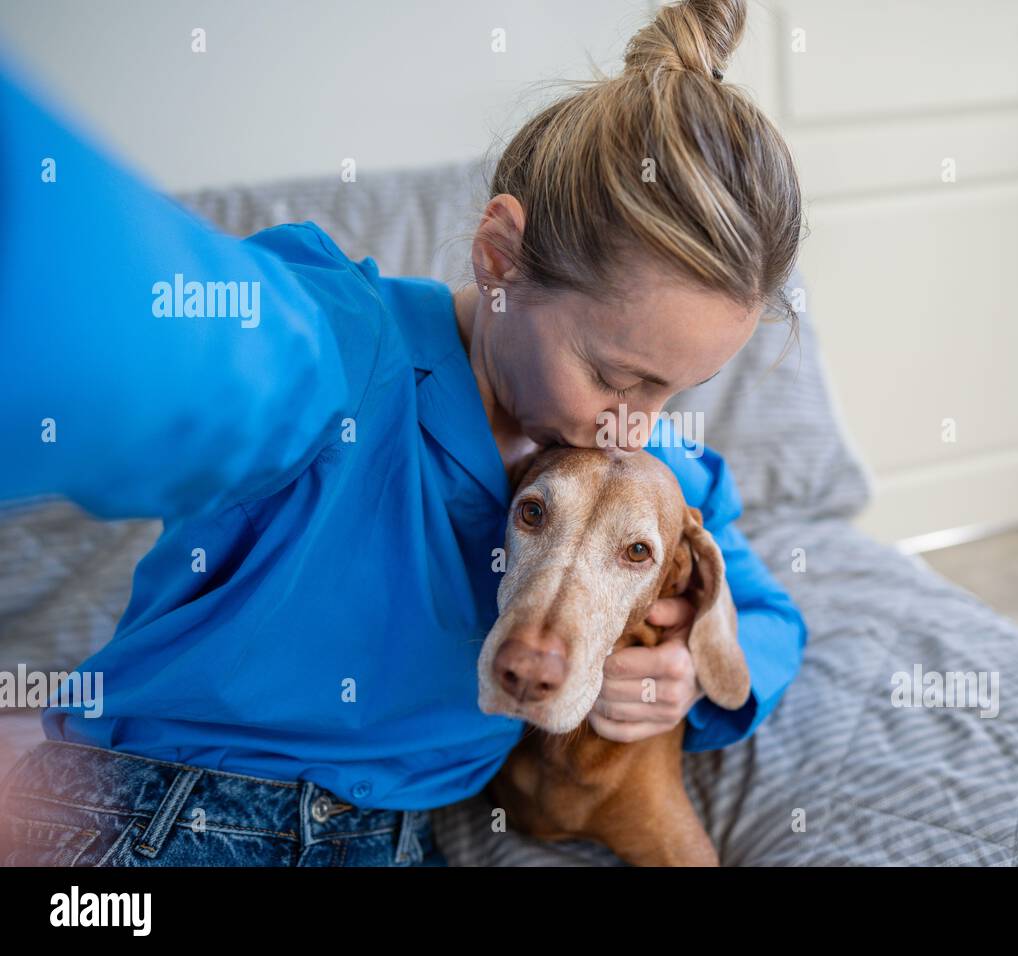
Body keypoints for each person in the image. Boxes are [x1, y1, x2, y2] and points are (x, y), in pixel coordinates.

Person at [0, 0, 807, 866]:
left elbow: (766, 615)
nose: (632, 426)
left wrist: (686, 676)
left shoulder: (657, 475)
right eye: (614, 375)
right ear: (499, 259)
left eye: (675, 392)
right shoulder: (341, 349)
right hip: (159, 808)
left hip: (386, 843)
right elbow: (132, 336)